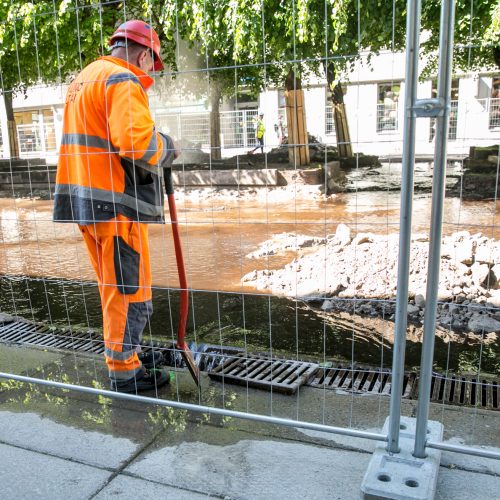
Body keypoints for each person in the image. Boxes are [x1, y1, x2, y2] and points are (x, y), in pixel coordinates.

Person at [53, 20, 178, 394]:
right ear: (143, 55)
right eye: (149, 68)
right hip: (114, 205)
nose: (146, 76)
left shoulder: (86, 77)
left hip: (85, 202)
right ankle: (124, 370)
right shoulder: (123, 80)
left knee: (114, 286)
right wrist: (169, 148)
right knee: (128, 290)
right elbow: (136, 142)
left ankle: (130, 352)